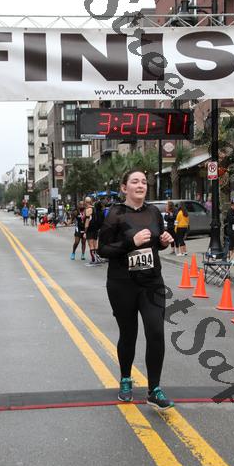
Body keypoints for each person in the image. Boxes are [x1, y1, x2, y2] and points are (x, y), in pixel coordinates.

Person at [97, 169, 175, 410]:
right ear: (124, 188)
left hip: (152, 283)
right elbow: (103, 249)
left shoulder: (154, 212)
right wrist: (131, 242)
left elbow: (155, 245)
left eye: (143, 181)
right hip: (123, 284)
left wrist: (163, 242)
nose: (141, 185)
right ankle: (125, 379)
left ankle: (154, 389)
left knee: (156, 332)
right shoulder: (115, 214)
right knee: (128, 334)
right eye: (135, 182)